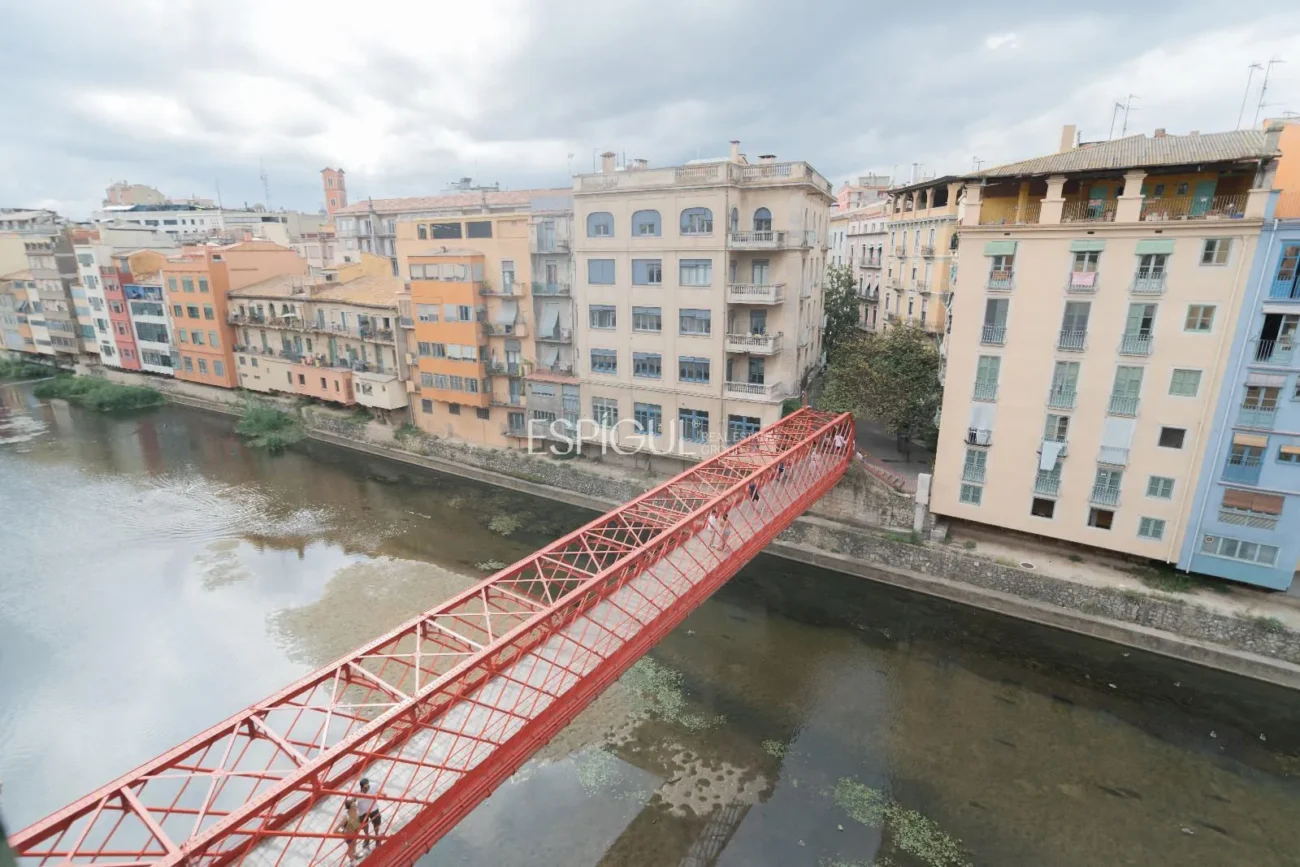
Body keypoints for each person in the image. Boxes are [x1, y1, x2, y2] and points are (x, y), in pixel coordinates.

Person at [336, 798, 363, 864]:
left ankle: (355, 854)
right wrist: (343, 833)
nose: (355, 806)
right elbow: (335, 830)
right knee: (350, 848)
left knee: (354, 845)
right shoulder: (346, 817)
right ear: (349, 807)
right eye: (353, 806)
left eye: (355, 805)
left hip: (354, 832)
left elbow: (356, 822)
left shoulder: (355, 812)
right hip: (348, 835)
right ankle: (352, 860)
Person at [357, 778, 381, 849]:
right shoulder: (357, 791)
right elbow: (353, 799)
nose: (367, 788)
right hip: (362, 811)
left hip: (373, 808)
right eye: (365, 787)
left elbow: (380, 791)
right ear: (361, 787)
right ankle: (367, 837)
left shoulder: (374, 785)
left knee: (376, 823)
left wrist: (382, 794)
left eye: (368, 786)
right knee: (365, 826)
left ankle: (377, 837)